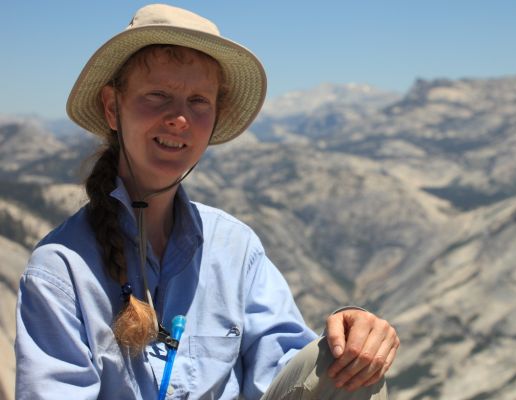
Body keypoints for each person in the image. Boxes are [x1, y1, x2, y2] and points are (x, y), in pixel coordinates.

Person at [15, 4, 399, 399]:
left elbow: (289, 371)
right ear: (113, 108)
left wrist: (350, 334)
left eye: (199, 101)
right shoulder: (61, 271)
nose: (179, 118)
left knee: (351, 371)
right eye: (158, 95)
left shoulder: (235, 249)